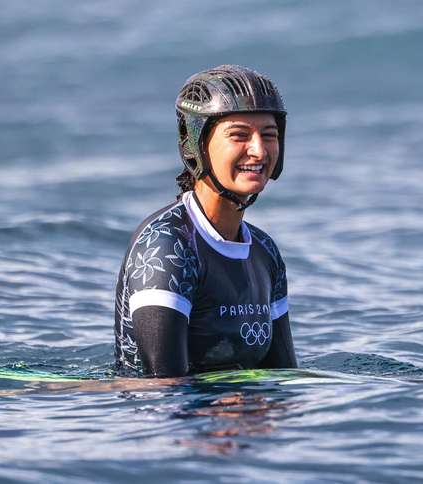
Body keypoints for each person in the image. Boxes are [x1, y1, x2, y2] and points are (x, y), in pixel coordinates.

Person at [114, 65, 297, 377]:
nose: (259, 150)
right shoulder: (166, 246)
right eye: (239, 135)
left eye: (269, 135)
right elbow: (162, 388)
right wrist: (218, 411)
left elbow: (283, 377)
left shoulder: (265, 251)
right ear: (196, 144)